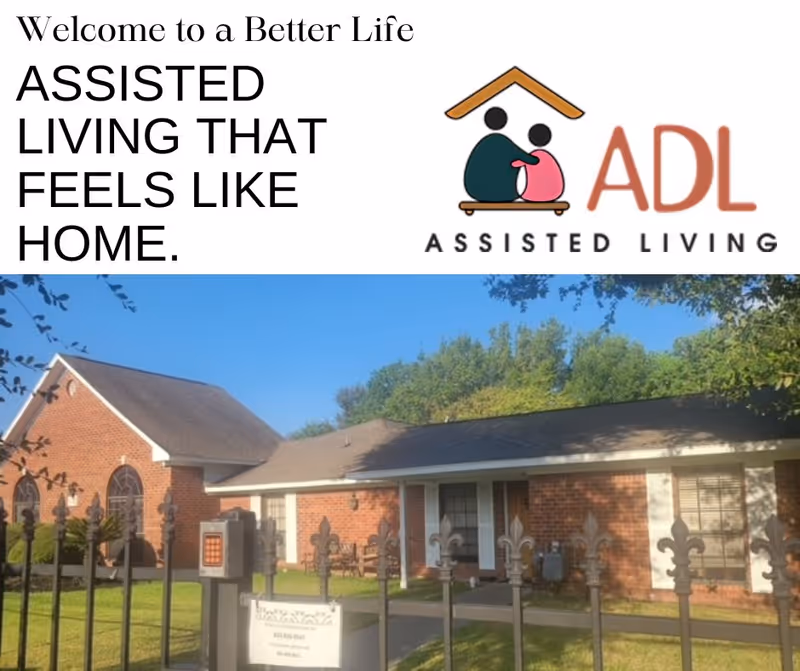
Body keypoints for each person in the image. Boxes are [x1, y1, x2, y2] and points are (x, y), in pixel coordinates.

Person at [464, 107, 540, 203]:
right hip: (504, 194)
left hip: (476, 192)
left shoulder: (485, 142)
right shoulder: (504, 143)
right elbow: (533, 160)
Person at [512, 123, 565, 202]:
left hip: (534, 196)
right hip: (555, 194)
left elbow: (514, 164)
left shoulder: (533, 156)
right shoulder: (548, 157)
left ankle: (536, 195)